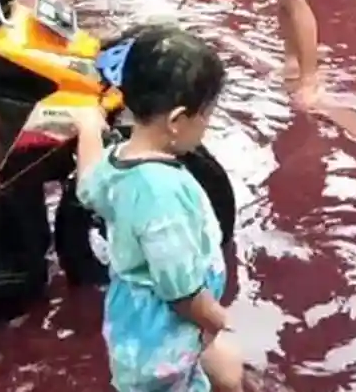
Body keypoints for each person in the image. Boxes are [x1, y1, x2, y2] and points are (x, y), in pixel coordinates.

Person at [74, 24, 242, 392]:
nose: (207, 125)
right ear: (177, 120)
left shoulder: (118, 160)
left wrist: (89, 128)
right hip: (164, 343)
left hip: (134, 328)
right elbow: (181, 291)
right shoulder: (162, 193)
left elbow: (87, 184)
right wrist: (218, 321)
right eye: (206, 115)